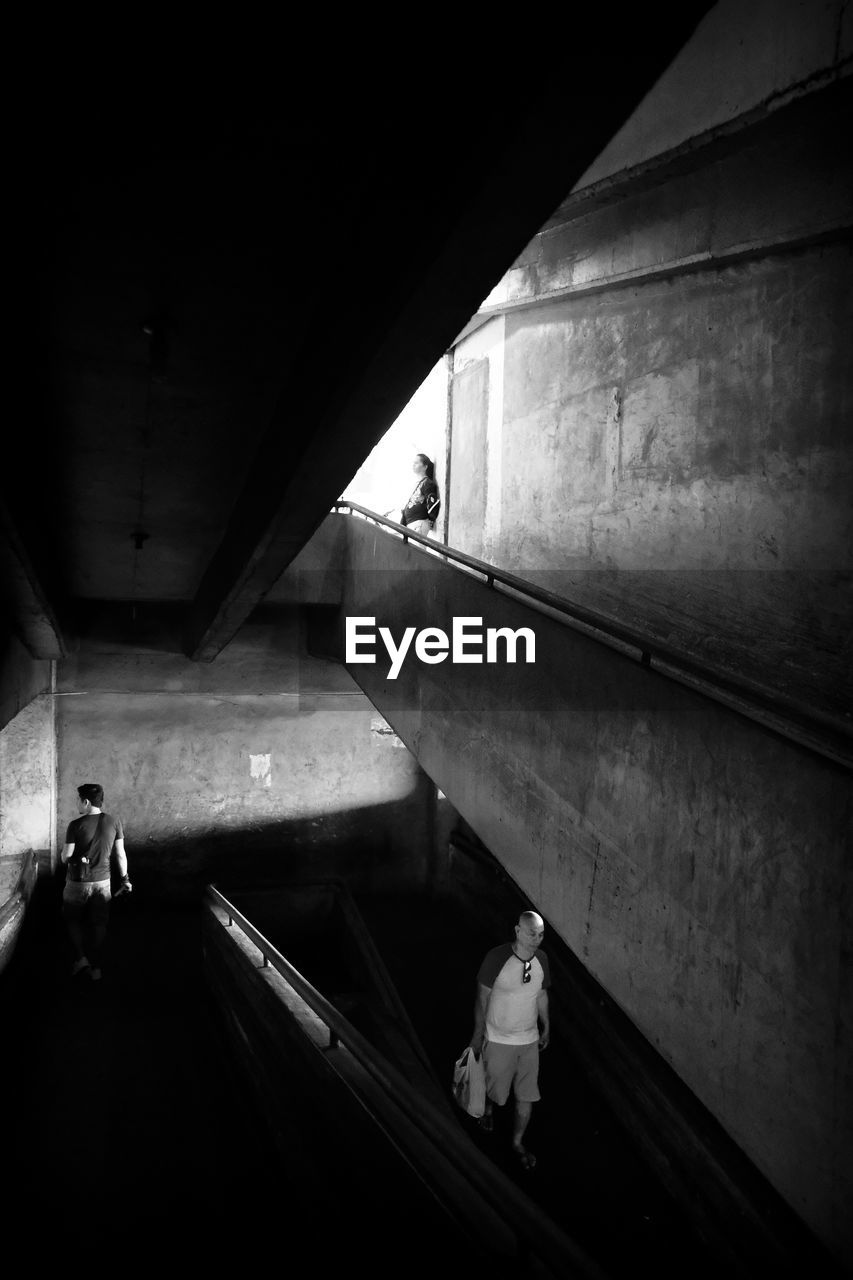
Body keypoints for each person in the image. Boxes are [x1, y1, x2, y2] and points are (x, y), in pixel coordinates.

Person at [470, 910, 550, 1170]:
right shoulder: (497, 958)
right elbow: (482, 997)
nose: (536, 940)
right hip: (499, 1039)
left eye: (540, 935)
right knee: (497, 1089)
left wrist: (546, 1025)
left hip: (529, 1040)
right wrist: (478, 1033)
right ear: (517, 931)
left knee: (526, 1096)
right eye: (531, 933)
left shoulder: (542, 960)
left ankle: (517, 1142)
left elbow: (540, 995)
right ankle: (490, 1108)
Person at [60, 782, 132, 980]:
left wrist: (65, 856)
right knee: (99, 923)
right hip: (103, 883)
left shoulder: (75, 825)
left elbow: (66, 857)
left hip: (77, 882)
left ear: (85, 801)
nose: (77, 804)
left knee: (73, 919)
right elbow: (120, 854)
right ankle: (96, 967)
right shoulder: (115, 821)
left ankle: (81, 958)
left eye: (78, 800)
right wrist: (125, 879)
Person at [397, 453, 441, 536]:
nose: (413, 465)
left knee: (416, 548)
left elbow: (431, 504)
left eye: (416, 463)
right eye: (413, 463)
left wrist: (430, 519)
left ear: (425, 467)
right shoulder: (417, 483)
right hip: (412, 524)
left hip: (419, 523)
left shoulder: (427, 483)